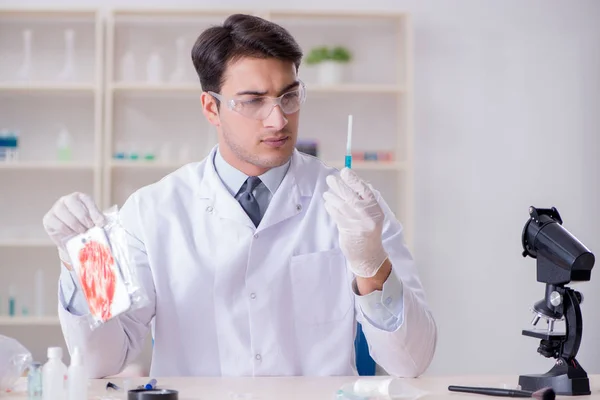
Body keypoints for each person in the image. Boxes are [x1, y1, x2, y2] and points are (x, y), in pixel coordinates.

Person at [43, 13, 437, 379]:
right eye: (253, 101)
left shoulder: (354, 208)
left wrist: (372, 265)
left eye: (289, 96)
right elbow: (102, 360)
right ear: (211, 107)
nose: (278, 119)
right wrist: (81, 264)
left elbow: (410, 361)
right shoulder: (152, 210)